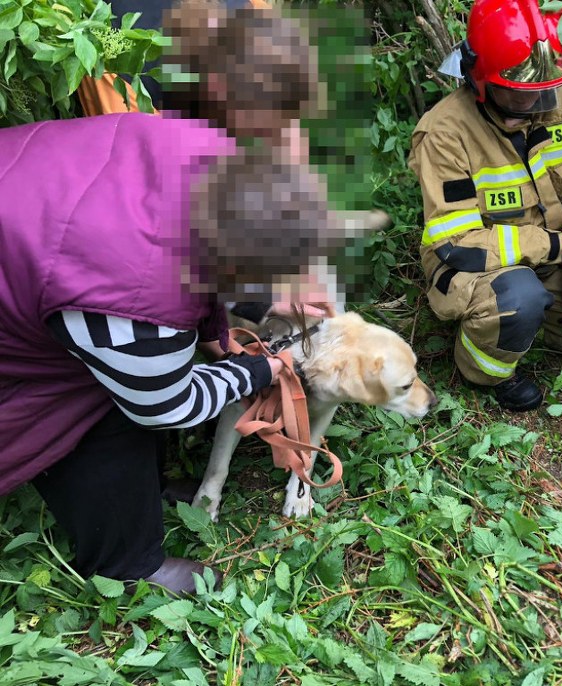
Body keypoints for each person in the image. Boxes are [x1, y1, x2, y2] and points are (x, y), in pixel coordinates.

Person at [0, 5, 343, 596]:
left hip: (38, 229)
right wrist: (265, 365)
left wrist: (245, 319)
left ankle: (143, 489)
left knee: (131, 371)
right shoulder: (131, 288)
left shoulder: (191, 148)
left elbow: (196, 272)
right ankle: (128, 564)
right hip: (41, 305)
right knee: (101, 406)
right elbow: (168, 404)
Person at [408, 0, 562, 412]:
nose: (537, 107)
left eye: (543, 95)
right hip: (476, 264)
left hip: (551, 257)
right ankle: (486, 371)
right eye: (518, 98)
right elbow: (458, 240)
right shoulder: (445, 133)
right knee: (518, 297)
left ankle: (528, 321)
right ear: (480, 80)